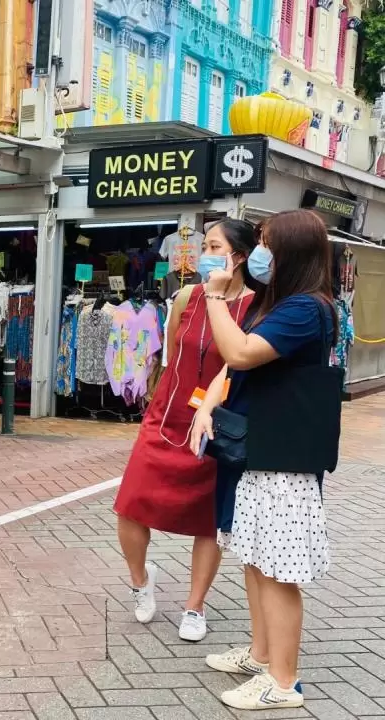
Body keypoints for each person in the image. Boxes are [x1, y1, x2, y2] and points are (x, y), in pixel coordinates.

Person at [191, 209, 337, 711]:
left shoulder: (305, 310)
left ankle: (283, 682)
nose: (259, 251)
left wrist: (213, 295)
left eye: (268, 242)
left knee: (278, 573)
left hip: (285, 460)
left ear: (291, 251)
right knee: (256, 561)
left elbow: (242, 353)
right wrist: (208, 404)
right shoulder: (278, 304)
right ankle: (260, 655)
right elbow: (235, 366)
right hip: (262, 451)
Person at [114, 219, 257, 643]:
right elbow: (173, 354)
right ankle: (141, 581)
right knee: (131, 505)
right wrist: (156, 402)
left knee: (206, 520)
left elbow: (242, 364)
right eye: (205, 245)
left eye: (214, 245)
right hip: (167, 415)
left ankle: (195, 606)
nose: (203, 253)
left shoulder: (257, 307)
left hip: (215, 421)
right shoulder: (187, 297)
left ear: (240, 256)